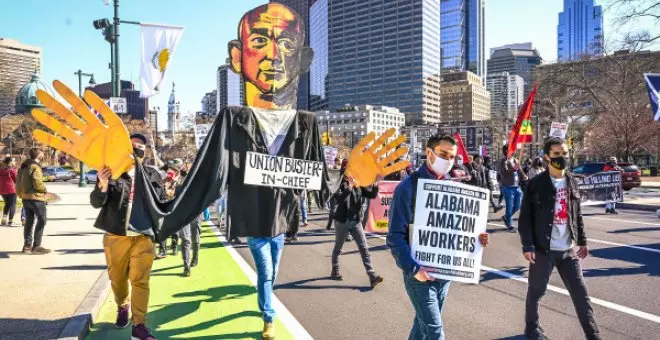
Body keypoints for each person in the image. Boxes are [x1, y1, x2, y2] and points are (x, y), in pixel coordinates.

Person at [387, 134, 490, 339]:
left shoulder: (453, 187)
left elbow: (457, 229)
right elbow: (395, 237)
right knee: (434, 331)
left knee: (422, 326)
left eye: (452, 156)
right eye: (443, 154)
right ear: (429, 153)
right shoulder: (407, 188)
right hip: (419, 274)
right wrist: (414, 269)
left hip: (445, 273)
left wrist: (477, 238)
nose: (448, 160)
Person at [519, 137, 601, 340]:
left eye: (564, 153)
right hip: (542, 249)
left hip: (567, 250)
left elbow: (577, 213)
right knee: (536, 292)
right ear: (547, 157)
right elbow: (525, 218)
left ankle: (593, 335)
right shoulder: (536, 184)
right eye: (556, 154)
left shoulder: (572, 180)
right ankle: (531, 329)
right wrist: (527, 245)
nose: (562, 157)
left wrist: (582, 240)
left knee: (581, 295)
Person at [90, 133, 165, 340]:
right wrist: (102, 184)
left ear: (145, 151)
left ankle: (139, 324)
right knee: (117, 279)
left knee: (140, 280)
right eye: (133, 146)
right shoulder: (112, 173)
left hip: (143, 237)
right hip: (116, 236)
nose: (137, 149)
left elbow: (160, 203)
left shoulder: (152, 174)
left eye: (141, 146)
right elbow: (96, 202)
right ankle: (122, 305)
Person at [330, 171, 384, 289]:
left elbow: (371, 195)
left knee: (364, 248)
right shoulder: (340, 182)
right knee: (338, 247)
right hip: (342, 221)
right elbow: (338, 198)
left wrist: (375, 183)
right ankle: (335, 269)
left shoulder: (359, 182)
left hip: (356, 221)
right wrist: (349, 187)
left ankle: (371, 275)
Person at [16, 148, 49, 254]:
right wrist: (44, 190)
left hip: (25, 198)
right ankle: (36, 246)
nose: (43, 154)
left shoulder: (23, 166)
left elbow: (18, 183)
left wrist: (20, 194)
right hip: (36, 198)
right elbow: (37, 182)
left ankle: (27, 246)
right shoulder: (35, 166)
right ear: (39, 155)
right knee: (42, 220)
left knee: (29, 222)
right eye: (42, 152)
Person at [500, 145, 527, 232]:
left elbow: (520, 171)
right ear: (506, 151)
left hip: (516, 186)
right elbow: (504, 172)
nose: (513, 151)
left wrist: (524, 176)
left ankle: (506, 217)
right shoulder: (504, 160)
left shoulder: (516, 160)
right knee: (510, 206)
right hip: (507, 186)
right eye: (510, 149)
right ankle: (510, 224)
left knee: (518, 206)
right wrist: (513, 169)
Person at [0, 157, 18, 226]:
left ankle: (4, 219)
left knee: (7, 204)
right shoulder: (12, 170)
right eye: (14, 161)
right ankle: (11, 221)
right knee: (12, 205)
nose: (15, 162)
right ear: (10, 163)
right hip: (12, 189)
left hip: (2, 190)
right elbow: (16, 180)